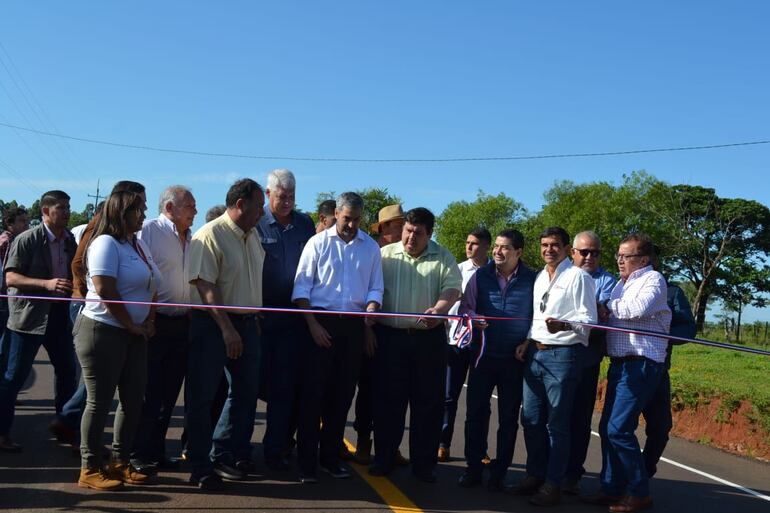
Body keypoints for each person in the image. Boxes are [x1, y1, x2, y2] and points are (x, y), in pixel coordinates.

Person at [292, 191, 383, 484]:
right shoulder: (317, 243)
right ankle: (306, 463)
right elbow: (301, 289)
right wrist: (312, 325)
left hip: (353, 328)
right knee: (312, 397)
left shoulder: (370, 247)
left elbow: (375, 288)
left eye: (357, 220)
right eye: (347, 219)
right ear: (336, 215)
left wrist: (371, 310)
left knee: (341, 397)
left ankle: (330, 458)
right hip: (320, 325)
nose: (352, 225)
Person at [50, 181, 147, 449]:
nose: (144, 212)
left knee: (117, 391)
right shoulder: (103, 233)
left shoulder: (133, 241)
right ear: (123, 204)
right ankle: (82, 445)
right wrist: (84, 292)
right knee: (100, 392)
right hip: (99, 317)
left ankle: (114, 455)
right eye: (140, 205)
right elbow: (80, 264)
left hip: (126, 325)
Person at [370, 207, 462, 483]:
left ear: (429, 234)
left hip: (428, 340)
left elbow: (452, 289)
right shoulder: (385, 255)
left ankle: (423, 465)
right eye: (408, 231)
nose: (410, 238)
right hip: (391, 339)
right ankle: (384, 458)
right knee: (389, 403)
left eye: (418, 234)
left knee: (427, 405)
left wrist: (439, 309)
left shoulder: (443, 256)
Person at [185, 178, 266, 491]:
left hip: (247, 323)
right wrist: (228, 328)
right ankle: (199, 465)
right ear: (241, 204)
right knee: (202, 396)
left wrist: (251, 316)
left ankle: (223, 453)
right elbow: (206, 286)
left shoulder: (252, 235)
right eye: (259, 206)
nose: (263, 212)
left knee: (246, 393)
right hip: (214, 325)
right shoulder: (210, 235)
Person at [75, 190, 158, 490]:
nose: (145, 214)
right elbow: (105, 289)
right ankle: (90, 467)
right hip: (103, 330)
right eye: (140, 209)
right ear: (123, 212)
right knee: (99, 402)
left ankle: (120, 462)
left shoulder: (138, 245)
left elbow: (152, 284)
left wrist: (148, 321)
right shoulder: (105, 244)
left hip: (134, 334)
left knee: (133, 399)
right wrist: (130, 325)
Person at [508, 226, 597, 506]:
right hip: (535, 353)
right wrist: (527, 340)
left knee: (556, 424)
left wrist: (565, 325)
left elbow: (589, 320)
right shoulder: (539, 277)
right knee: (531, 420)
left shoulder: (578, 277)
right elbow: (537, 315)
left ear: (567, 249)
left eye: (555, 245)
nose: (549, 249)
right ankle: (535, 474)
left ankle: (553, 483)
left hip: (563, 356)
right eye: (545, 245)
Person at [583, 233, 671, 513]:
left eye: (626, 256)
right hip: (620, 364)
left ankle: (639, 490)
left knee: (619, 429)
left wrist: (604, 307)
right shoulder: (622, 285)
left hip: (642, 363)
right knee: (608, 428)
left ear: (643, 259)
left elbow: (636, 309)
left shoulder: (653, 280)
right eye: (619, 256)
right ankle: (611, 488)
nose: (620, 261)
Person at [457, 229, 536, 491]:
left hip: (514, 360)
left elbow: (538, 316)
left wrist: (527, 341)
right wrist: (473, 318)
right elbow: (464, 308)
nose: (497, 252)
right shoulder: (480, 276)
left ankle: (499, 472)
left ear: (519, 252)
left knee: (508, 419)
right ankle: (474, 468)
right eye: (496, 247)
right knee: (476, 414)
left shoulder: (532, 280)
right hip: (482, 357)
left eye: (504, 248)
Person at [0, 191, 78, 453]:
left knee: (68, 372)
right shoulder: (27, 239)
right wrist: (46, 284)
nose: (66, 212)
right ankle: (2, 433)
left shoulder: (70, 241)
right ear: (45, 211)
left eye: (68, 207)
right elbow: (10, 278)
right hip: (28, 319)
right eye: (61, 207)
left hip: (58, 316)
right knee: (13, 377)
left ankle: (66, 428)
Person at [131, 186, 197, 473]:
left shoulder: (192, 238)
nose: (195, 210)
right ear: (170, 208)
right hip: (156, 323)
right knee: (149, 392)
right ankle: (136, 453)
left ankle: (156, 451)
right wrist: (147, 319)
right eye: (190, 206)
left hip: (183, 324)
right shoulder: (149, 231)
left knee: (169, 394)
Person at [258, 169, 315, 471]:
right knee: (245, 390)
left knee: (283, 391)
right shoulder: (255, 222)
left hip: (292, 320)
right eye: (282, 197)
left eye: (292, 197)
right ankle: (234, 450)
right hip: (259, 317)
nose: (287, 202)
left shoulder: (304, 223)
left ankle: (275, 451)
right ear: (268, 195)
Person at [346, 204, 408, 466]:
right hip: (369, 328)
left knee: (394, 393)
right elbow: (363, 291)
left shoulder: (406, 252)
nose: (403, 228)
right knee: (368, 390)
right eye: (398, 223)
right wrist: (367, 329)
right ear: (383, 228)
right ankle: (363, 441)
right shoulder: (372, 250)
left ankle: (389, 445)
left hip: (394, 332)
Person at [564, 231, 617, 493]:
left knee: (580, 418)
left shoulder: (607, 280)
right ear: (572, 252)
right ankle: (546, 471)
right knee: (552, 417)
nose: (588, 257)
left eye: (594, 252)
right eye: (583, 251)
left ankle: (572, 474)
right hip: (557, 355)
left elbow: (600, 316)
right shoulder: (560, 274)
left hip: (586, 359)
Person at [641, 247, 695, 478]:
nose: (648, 262)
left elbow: (688, 328)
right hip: (625, 369)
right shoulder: (621, 289)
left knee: (660, 428)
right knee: (617, 430)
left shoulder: (672, 293)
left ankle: (645, 469)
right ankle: (617, 478)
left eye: (652, 257)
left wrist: (663, 333)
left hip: (658, 369)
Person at [440, 226, 491, 463]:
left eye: (475, 243)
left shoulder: (493, 273)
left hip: (483, 344)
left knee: (479, 401)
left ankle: (479, 449)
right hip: (456, 341)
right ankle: (443, 443)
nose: (469, 247)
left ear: (486, 246)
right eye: (467, 242)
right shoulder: (457, 270)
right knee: (449, 396)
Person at [0, 206, 29, 372]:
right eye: (22, 221)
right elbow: (5, 274)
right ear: (9, 223)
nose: (26, 225)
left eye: (27, 221)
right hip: (4, 298)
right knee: (6, 343)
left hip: (6, 297)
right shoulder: (8, 242)